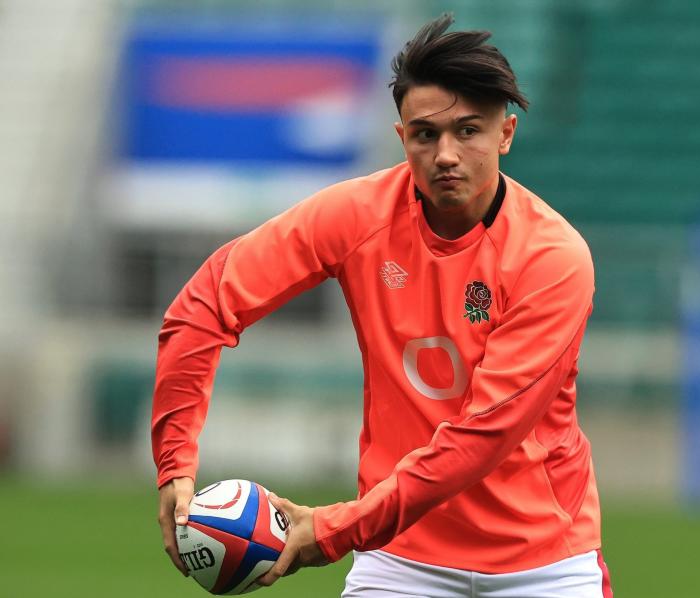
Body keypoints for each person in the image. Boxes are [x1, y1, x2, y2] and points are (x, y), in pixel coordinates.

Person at [153, 14, 613, 598]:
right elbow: (204, 304)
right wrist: (175, 466)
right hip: (401, 561)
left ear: (506, 134)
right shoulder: (357, 216)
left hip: (545, 565)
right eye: (426, 134)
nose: (446, 153)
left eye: (468, 130)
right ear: (402, 138)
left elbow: (480, 437)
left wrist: (334, 529)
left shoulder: (553, 257)